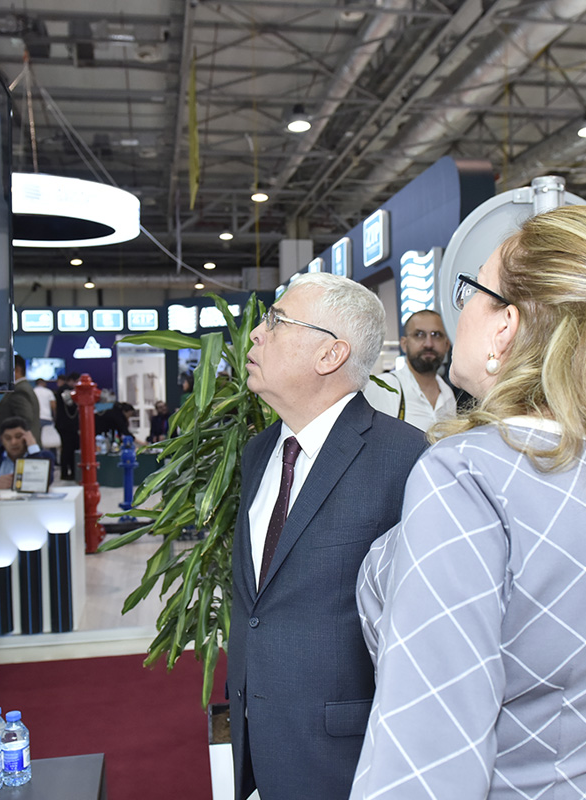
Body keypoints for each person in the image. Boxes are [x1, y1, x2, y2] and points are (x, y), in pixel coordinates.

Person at [350, 206, 586, 800]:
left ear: (505, 325)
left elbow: (427, 756)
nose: (459, 313)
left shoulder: (471, 475)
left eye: (471, 291)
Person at [228, 272, 428, 800]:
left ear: (330, 354)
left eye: (276, 321)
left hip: (346, 757)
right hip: (259, 738)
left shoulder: (406, 458)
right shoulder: (259, 452)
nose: (256, 333)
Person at [362, 309, 457, 431]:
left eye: (436, 335)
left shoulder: (448, 394)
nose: (428, 344)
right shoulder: (386, 387)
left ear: (447, 345)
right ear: (404, 344)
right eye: (419, 335)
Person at [0, 416, 56, 490]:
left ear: (28, 436)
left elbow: (43, 482)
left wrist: (33, 448)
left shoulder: (45, 456)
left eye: (18, 436)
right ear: (1, 440)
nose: (13, 442)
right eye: (8, 438)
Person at [0, 355, 41, 444]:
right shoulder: (21, 388)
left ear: (16, 369)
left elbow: (25, 421)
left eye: (3, 370)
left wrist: (12, 443)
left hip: (17, 449)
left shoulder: (20, 391)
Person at [54, 373, 81, 481]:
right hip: (67, 425)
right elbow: (71, 406)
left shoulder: (62, 390)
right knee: (69, 449)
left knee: (67, 449)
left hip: (64, 425)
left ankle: (68, 472)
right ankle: (69, 473)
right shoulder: (66, 391)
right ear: (72, 381)